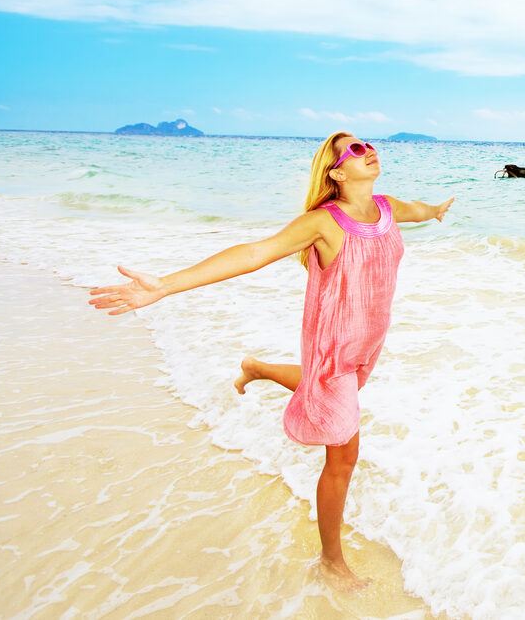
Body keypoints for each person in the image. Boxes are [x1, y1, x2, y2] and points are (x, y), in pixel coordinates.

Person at [87, 131, 454, 588]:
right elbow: (254, 254)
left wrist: (436, 210)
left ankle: (257, 368)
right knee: (342, 458)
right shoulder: (324, 223)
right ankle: (330, 562)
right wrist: (165, 285)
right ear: (336, 172)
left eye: (368, 143)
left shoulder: (386, 207)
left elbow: (414, 211)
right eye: (355, 149)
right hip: (333, 346)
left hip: (368, 344)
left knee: (331, 391)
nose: (368, 150)